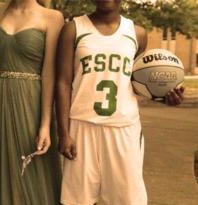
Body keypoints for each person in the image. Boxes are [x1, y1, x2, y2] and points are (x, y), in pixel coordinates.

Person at [55, 0, 184, 204]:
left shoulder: (137, 33)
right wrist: (63, 133)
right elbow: (62, 83)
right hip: (81, 125)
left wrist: (163, 96)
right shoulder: (73, 29)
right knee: (77, 200)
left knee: (127, 199)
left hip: (123, 127)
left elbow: (137, 84)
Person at [0, 0, 64, 204]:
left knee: (29, 171)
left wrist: (45, 124)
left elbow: (49, 73)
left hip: (31, 103)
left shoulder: (52, 18)